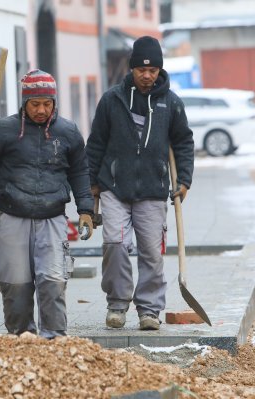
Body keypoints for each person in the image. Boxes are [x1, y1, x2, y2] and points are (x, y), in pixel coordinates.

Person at [0, 69, 94, 339]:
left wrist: (86, 210)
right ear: (25, 103)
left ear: (54, 103)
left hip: (53, 219)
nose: (42, 110)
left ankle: (55, 338)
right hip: (12, 218)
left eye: (47, 103)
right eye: (35, 104)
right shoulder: (4, 130)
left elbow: (80, 173)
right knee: (15, 285)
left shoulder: (68, 132)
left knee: (53, 282)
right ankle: (21, 338)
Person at [86, 36, 194, 331]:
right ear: (132, 69)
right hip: (114, 186)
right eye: (141, 70)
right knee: (116, 244)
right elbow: (95, 144)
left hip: (153, 189)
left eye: (153, 70)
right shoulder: (112, 100)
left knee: (151, 251)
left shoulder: (171, 103)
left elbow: (183, 142)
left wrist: (184, 179)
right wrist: (91, 184)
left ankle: (149, 310)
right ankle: (117, 305)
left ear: (160, 71)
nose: (147, 76)